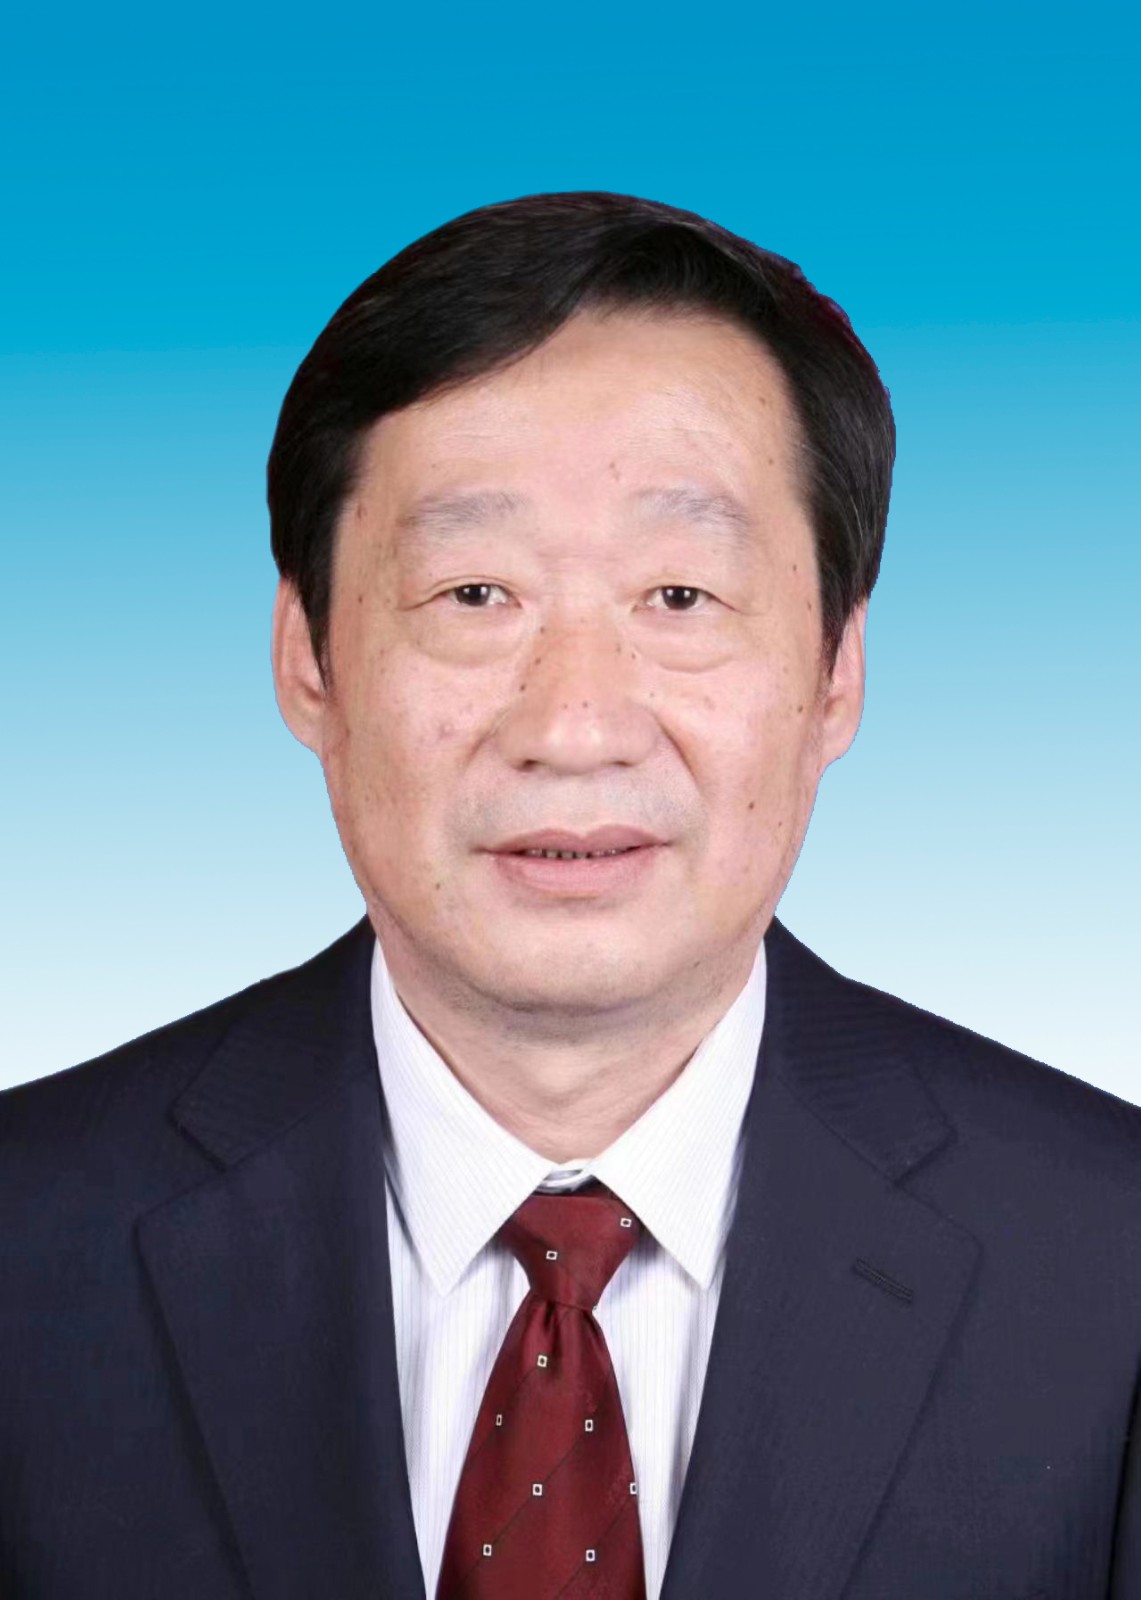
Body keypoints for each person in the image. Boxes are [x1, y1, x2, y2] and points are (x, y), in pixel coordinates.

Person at [1, 191, 1139, 1600]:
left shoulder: (1110, 1263)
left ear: (836, 672)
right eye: (475, 594)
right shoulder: (30, 1238)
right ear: (309, 661)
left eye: (681, 597)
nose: (576, 725)